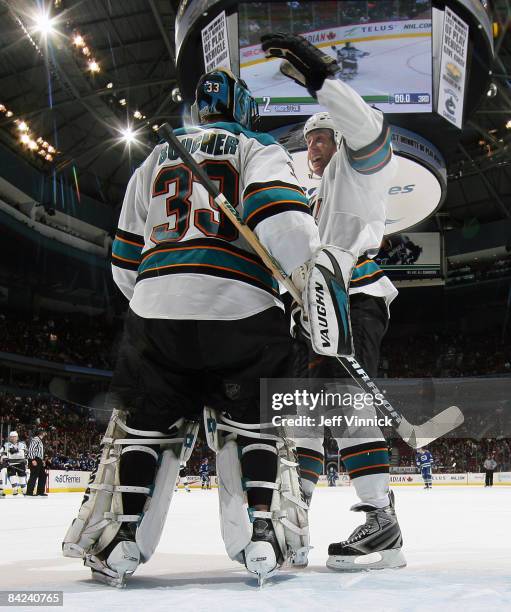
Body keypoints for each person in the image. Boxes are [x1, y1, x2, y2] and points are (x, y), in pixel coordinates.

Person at [62, 67, 321, 588]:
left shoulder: (156, 156)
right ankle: (263, 533)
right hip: (243, 309)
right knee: (255, 424)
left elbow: (123, 260)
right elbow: (284, 223)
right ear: (244, 107)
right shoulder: (257, 145)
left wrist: (165, 300)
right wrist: (306, 286)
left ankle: (124, 538)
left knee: (146, 427)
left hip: (155, 311)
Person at [261, 32, 404, 571]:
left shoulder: (359, 171)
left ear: (337, 138)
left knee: (345, 409)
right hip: (312, 311)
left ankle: (381, 519)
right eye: (309, 142)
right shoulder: (313, 199)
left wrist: (324, 83)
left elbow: (370, 132)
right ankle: (293, 521)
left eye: (320, 138)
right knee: (299, 416)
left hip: (355, 299)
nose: (313, 148)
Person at [0, 431, 28, 497]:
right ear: (10, 437)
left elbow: (23, 454)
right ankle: (15, 490)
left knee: (22, 478)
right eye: (11, 437)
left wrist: (15, 451)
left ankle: (24, 491)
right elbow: (1, 452)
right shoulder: (6, 444)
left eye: (14, 437)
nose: (13, 438)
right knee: (12, 477)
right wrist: (4, 457)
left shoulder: (22, 444)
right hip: (10, 463)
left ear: (17, 437)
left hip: (21, 463)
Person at [26, 429, 48, 497]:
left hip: (39, 460)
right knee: (34, 475)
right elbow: (31, 449)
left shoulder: (40, 440)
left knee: (43, 475)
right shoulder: (35, 439)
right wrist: (33, 459)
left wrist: (42, 460)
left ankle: (40, 491)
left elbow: (39, 452)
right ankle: (29, 492)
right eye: (44, 432)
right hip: (35, 459)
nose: (45, 433)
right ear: (41, 433)